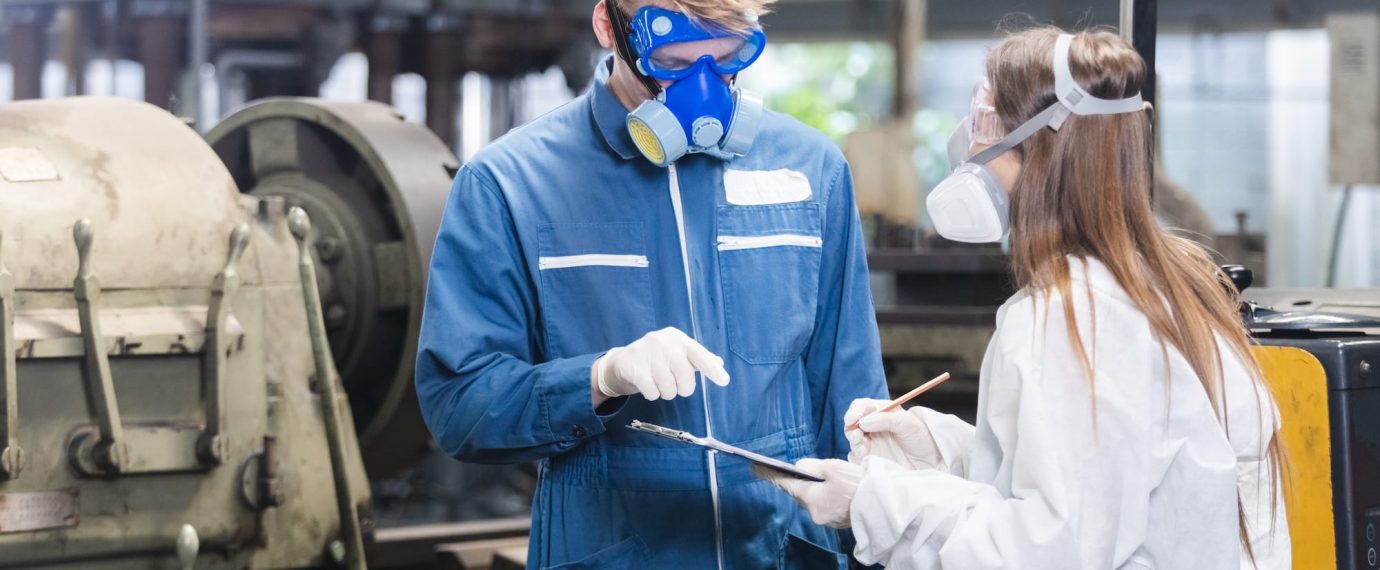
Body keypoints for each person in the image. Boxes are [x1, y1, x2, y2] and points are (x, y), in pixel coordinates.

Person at [761, 27, 1291, 569]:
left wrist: (871, 502)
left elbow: (1046, 549)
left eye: (985, 120)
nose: (969, 145)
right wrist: (940, 448)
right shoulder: (1168, 281)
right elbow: (1093, 477)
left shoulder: (1072, 318)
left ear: (1041, 143)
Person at [413, 0, 888, 568]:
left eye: (729, 57)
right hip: (608, 549)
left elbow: (854, 399)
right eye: (673, 63)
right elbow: (460, 406)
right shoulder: (511, 183)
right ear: (608, 28)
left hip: (783, 549)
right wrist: (597, 378)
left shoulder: (812, 170)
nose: (707, 90)